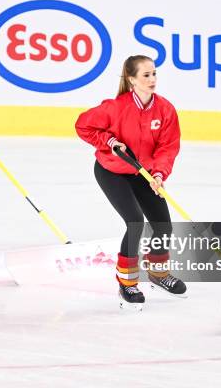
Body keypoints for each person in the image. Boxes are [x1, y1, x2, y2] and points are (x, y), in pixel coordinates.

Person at [76, 55, 186, 309]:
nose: (152, 80)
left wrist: (159, 174)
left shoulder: (165, 109)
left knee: (163, 226)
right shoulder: (115, 107)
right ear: (131, 79)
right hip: (112, 171)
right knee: (135, 222)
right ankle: (127, 283)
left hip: (144, 174)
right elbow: (84, 125)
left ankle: (158, 274)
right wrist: (110, 143)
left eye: (154, 74)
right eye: (146, 75)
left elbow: (168, 147)